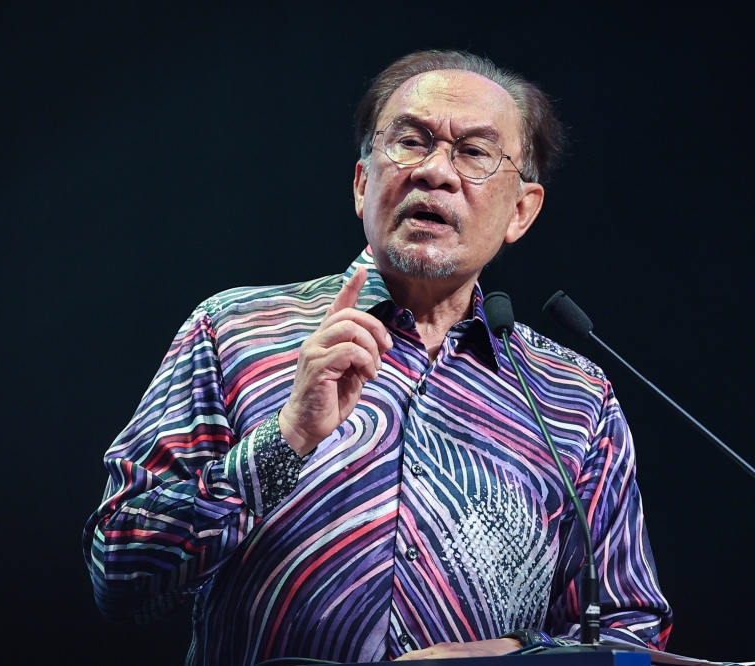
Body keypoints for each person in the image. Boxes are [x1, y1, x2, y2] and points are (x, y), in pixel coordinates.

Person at [83, 50, 673, 665]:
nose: (436, 173)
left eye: (474, 152)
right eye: (411, 142)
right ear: (364, 182)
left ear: (520, 211)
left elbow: (630, 629)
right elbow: (119, 577)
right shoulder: (234, 332)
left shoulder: (573, 395)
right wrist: (285, 439)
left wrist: (513, 657)